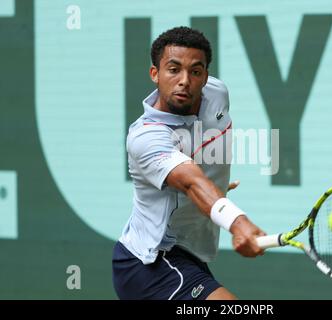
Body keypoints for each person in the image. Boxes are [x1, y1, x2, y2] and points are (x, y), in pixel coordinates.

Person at [112, 26, 266, 300]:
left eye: (196, 71)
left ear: (206, 76)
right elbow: (193, 182)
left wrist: (217, 184)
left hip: (191, 254)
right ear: (155, 74)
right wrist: (238, 222)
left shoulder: (216, 94)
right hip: (151, 262)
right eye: (173, 69)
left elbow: (200, 169)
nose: (185, 80)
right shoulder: (146, 136)